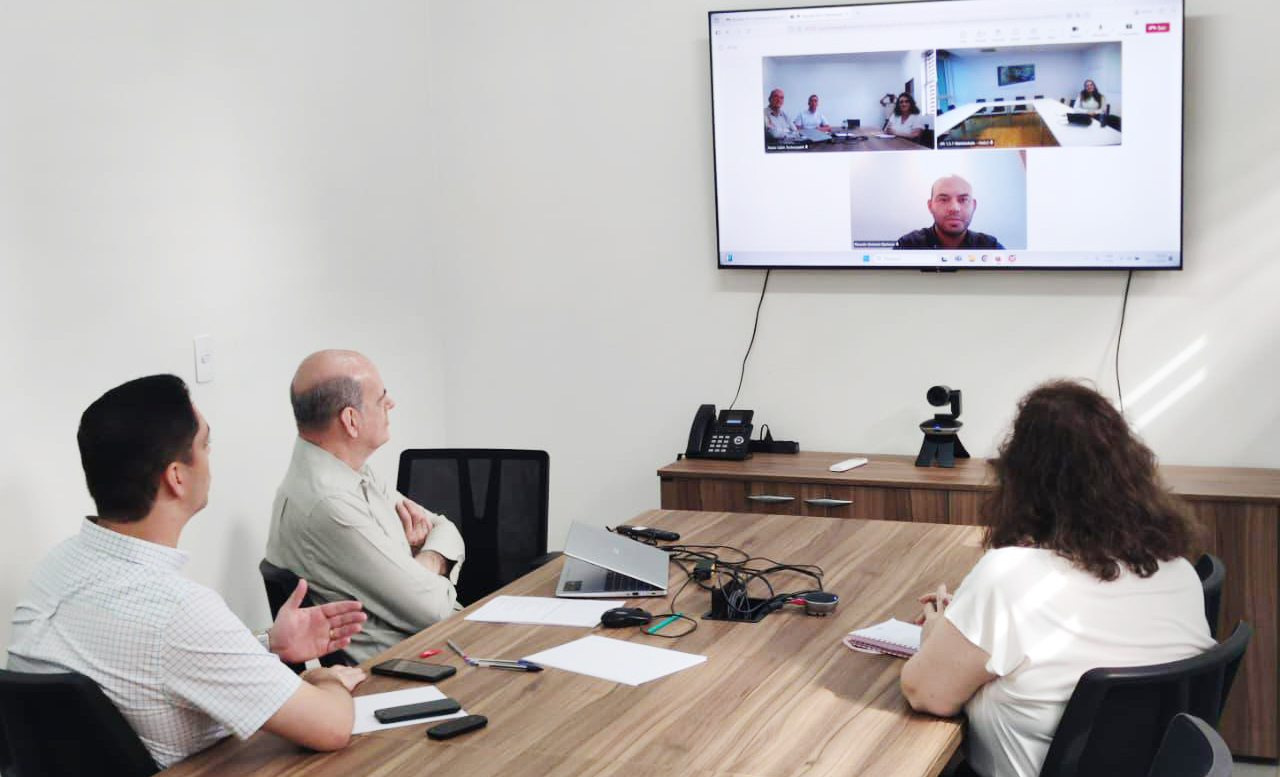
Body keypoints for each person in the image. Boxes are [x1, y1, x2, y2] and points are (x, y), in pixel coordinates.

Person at [7, 375, 369, 769]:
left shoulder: (56, 566)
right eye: (205, 444)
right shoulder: (178, 612)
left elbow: (155, 667)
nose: (211, 459)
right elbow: (331, 727)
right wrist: (325, 679)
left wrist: (267, 644)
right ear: (176, 477)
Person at [899, 380, 1215, 777]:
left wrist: (937, 628)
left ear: (1020, 479)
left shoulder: (1008, 576)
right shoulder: (1179, 571)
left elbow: (926, 694)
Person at [267, 350, 466, 663]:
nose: (391, 404)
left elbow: (444, 527)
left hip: (430, 648)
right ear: (351, 420)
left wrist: (423, 561)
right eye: (381, 398)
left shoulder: (350, 470)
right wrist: (426, 563)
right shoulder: (329, 504)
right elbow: (435, 609)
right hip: (406, 668)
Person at [895, 175, 1003, 249]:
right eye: (943, 199)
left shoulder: (989, 246)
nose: (954, 208)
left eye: (963, 200)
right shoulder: (909, 244)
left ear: (974, 206)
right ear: (930, 205)